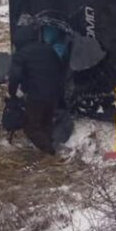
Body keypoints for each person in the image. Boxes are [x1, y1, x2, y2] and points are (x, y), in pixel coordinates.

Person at [8, 24, 68, 154]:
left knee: (31, 127)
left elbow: (14, 77)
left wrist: (12, 94)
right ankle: (49, 145)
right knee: (46, 123)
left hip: (37, 96)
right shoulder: (48, 49)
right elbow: (59, 67)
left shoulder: (20, 55)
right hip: (55, 94)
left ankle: (50, 152)